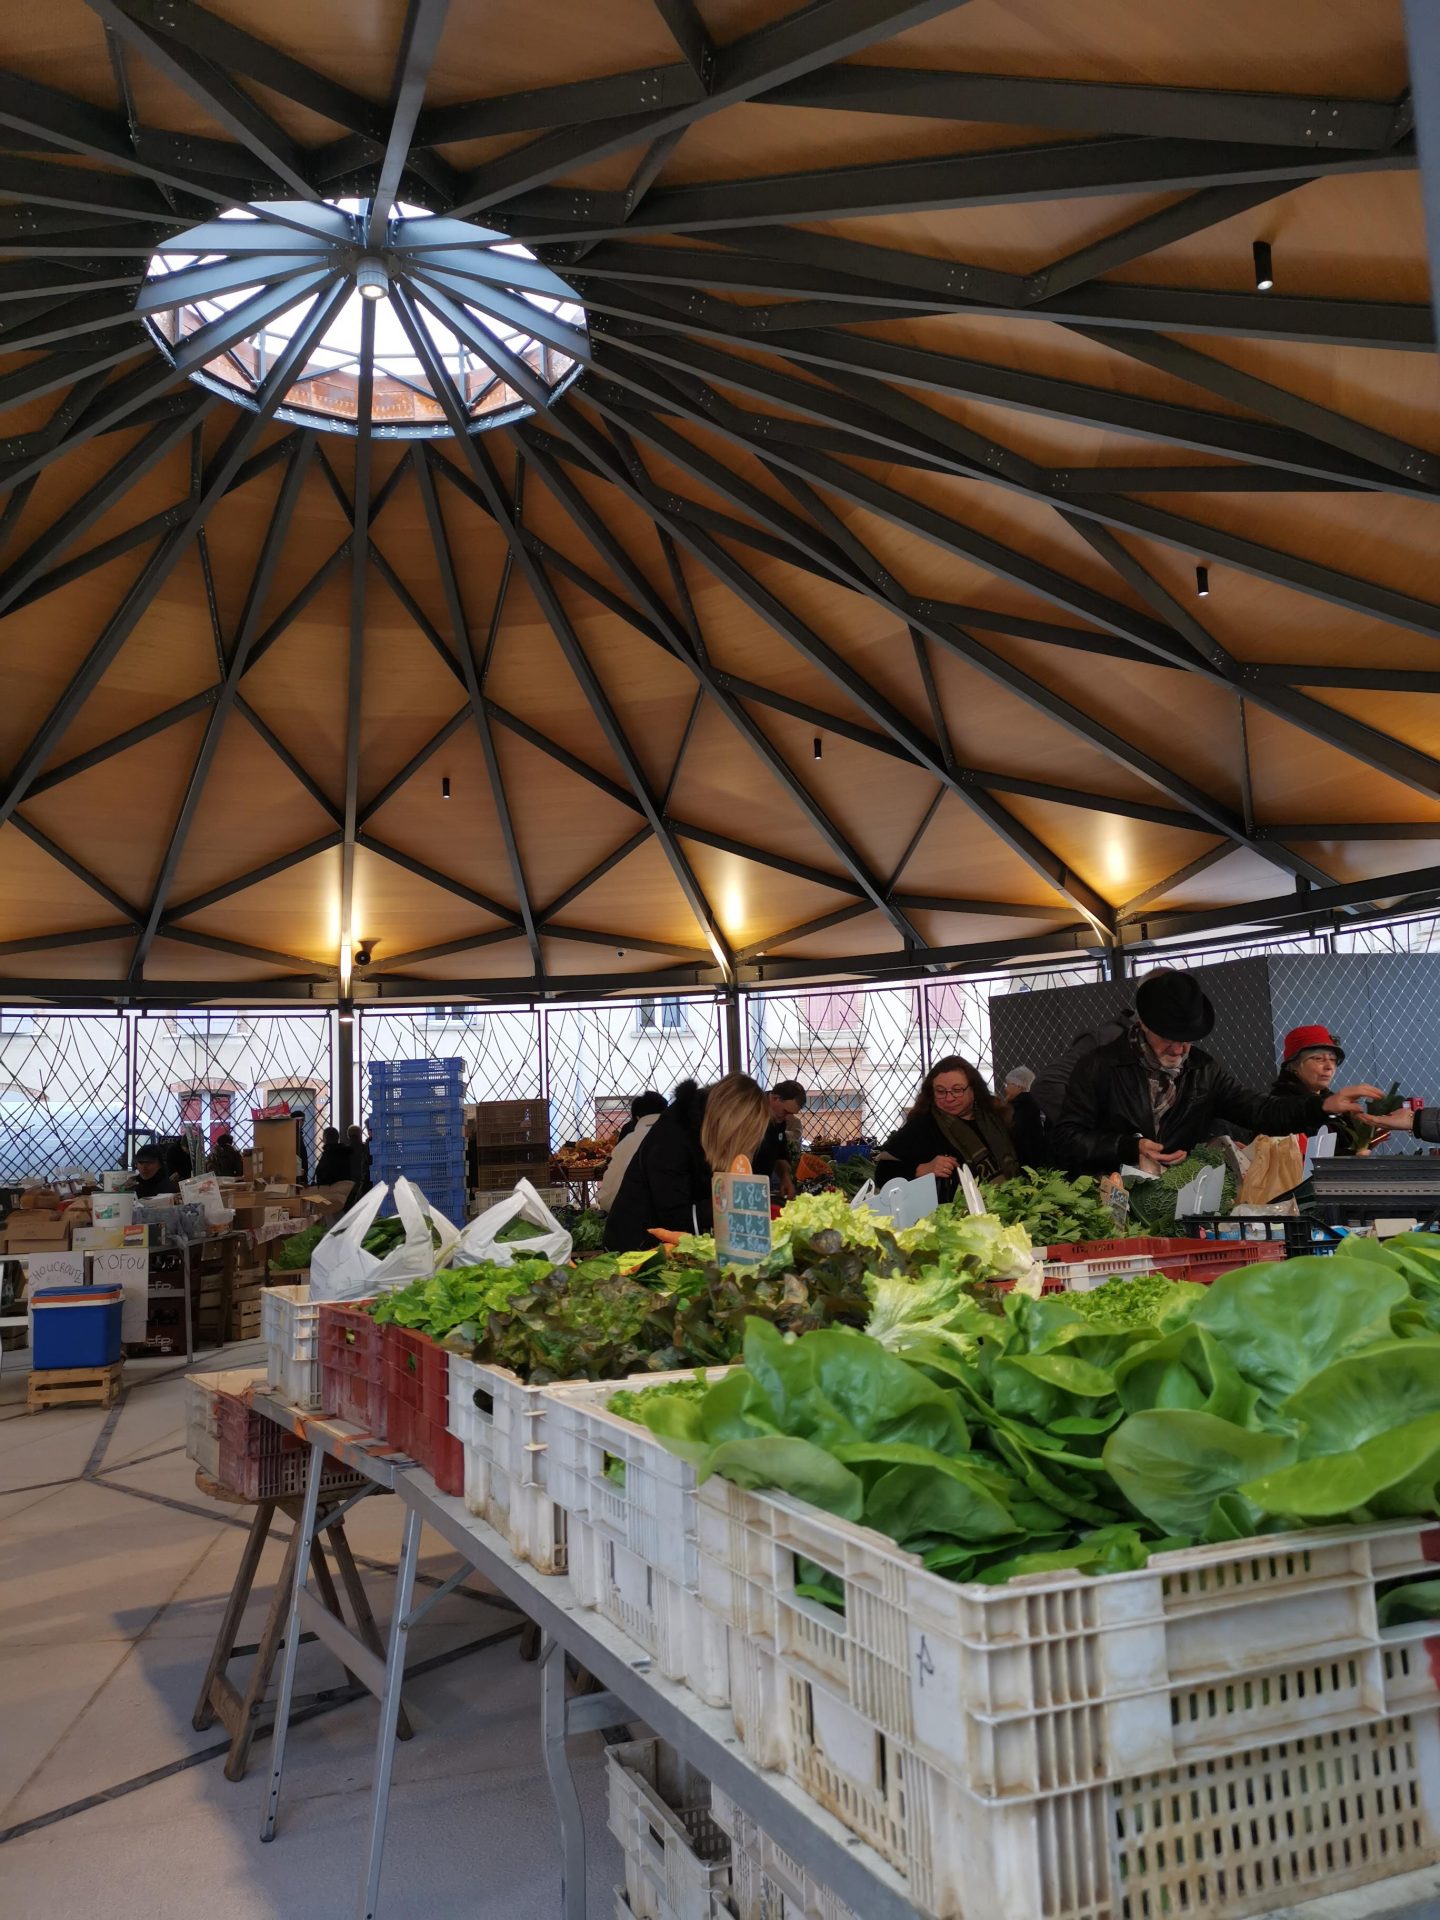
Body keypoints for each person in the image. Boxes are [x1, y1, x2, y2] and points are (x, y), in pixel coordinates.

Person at [1049, 969, 1383, 1177]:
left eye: (1188, 1041)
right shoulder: (1098, 1066)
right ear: (1144, 1024)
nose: (1180, 1050)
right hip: (1109, 1195)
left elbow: (1259, 1109)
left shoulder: (1203, 1069)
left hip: (1176, 1197)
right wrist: (1126, 1147)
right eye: (1170, 1039)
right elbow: (1066, 1139)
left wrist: (1321, 1106)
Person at [603, 1073, 770, 1252]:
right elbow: (673, 1216)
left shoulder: (700, 1129)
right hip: (636, 1247)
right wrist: (727, 1201)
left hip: (672, 1246)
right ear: (729, 1123)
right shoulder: (673, 1134)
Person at [876, 1055, 1018, 1200]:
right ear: (931, 1092)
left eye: (957, 1090)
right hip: (952, 1216)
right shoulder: (923, 1124)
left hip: (1009, 1203)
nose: (949, 1098)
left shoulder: (996, 1118)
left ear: (973, 1089)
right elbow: (883, 1172)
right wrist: (922, 1169)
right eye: (940, 1091)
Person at [596, 1091, 668, 1211]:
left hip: (632, 1218)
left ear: (637, 1117)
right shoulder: (679, 1137)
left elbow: (608, 1198)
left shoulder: (625, 1144)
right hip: (677, 1221)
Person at [752, 1080, 807, 1201]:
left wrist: (785, 1177)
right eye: (786, 1112)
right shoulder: (750, 1112)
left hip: (760, 1189)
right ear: (775, 1098)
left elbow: (780, 1152)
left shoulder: (779, 1120)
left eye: (792, 1114)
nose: (788, 1118)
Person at [1002, 1065, 1047, 1168]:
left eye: (1008, 1084)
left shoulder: (1018, 1109)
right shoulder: (1035, 1105)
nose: (1005, 1089)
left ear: (1018, 1086)